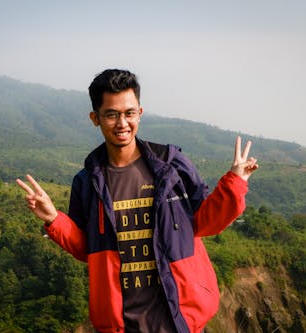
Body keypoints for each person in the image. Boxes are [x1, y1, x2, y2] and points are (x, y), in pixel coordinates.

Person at [16, 69, 258, 333]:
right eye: (111, 114)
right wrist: (54, 219)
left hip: (180, 319)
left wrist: (235, 183)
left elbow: (205, 223)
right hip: (123, 324)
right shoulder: (87, 182)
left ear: (140, 113)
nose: (122, 123)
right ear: (95, 118)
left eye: (129, 113)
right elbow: (87, 249)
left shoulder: (171, 165)